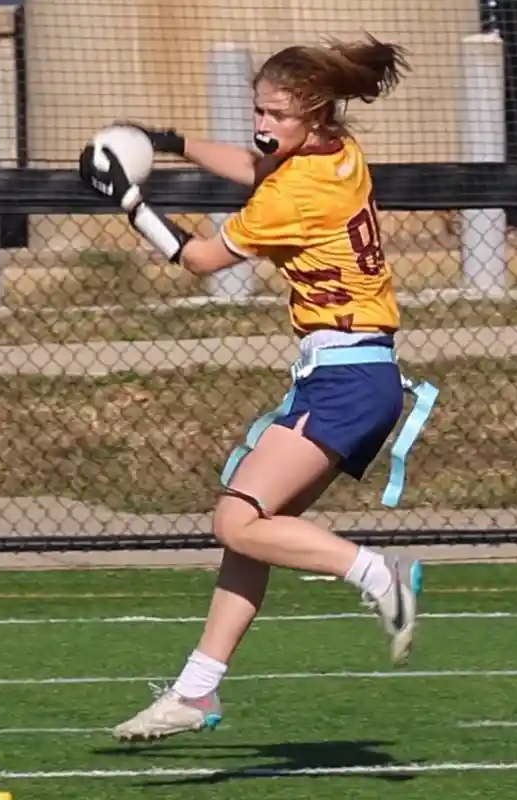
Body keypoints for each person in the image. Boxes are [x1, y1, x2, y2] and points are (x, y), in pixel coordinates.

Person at [78, 34, 438, 743]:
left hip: (347, 378)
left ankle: (378, 575)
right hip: (356, 374)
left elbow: (201, 259)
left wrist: (128, 202)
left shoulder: (297, 192)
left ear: (313, 115)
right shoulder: (336, 155)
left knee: (235, 519)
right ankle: (196, 692)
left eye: (277, 113)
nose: (264, 124)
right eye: (259, 108)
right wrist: (170, 139)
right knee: (253, 537)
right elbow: (252, 167)